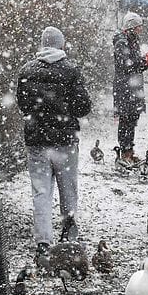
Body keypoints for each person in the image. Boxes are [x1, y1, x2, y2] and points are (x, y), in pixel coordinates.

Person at [16, 26, 92, 268]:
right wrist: (64, 111)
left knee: (41, 193)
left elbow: (24, 106)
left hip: (37, 142)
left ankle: (43, 243)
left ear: (42, 44)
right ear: (61, 45)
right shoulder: (71, 71)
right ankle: (69, 235)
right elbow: (83, 107)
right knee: (68, 190)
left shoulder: (27, 70)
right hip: (65, 142)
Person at [112, 12, 148, 168]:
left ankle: (129, 152)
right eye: (138, 26)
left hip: (132, 88)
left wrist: (145, 63)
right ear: (131, 27)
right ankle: (124, 152)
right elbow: (126, 64)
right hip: (125, 88)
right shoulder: (121, 42)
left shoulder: (132, 41)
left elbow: (133, 65)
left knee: (132, 120)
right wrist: (144, 61)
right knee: (125, 120)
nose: (141, 30)